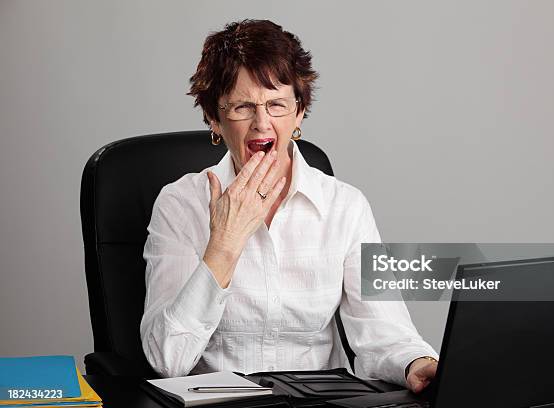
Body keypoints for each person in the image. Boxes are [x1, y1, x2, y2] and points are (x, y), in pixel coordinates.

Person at [140, 19, 438, 393]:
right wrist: (224, 246)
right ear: (214, 119)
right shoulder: (180, 204)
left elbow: (385, 332)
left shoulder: (345, 205)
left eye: (277, 104)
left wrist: (417, 363)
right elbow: (167, 360)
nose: (262, 123)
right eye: (242, 107)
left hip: (320, 403)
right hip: (220, 405)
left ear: (298, 113)